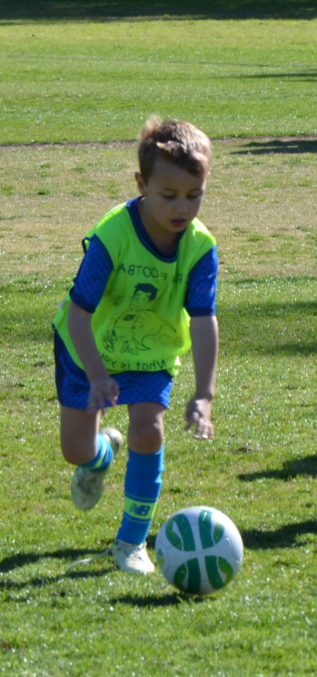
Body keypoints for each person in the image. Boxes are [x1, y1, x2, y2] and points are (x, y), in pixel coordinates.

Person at [53, 117, 219, 574]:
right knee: (76, 451)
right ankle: (101, 452)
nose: (181, 208)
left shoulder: (201, 247)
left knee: (149, 431)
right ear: (142, 184)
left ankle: (131, 541)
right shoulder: (113, 236)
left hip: (150, 353)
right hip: (88, 350)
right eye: (168, 196)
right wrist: (97, 374)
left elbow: (204, 321)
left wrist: (203, 393)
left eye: (194, 194)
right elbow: (78, 313)